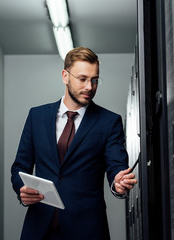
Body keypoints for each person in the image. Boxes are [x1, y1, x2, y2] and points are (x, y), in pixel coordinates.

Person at [11, 47, 137, 240]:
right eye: (83, 79)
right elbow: (20, 166)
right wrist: (22, 189)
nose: (89, 87)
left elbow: (116, 167)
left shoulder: (109, 122)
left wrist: (118, 183)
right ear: (65, 76)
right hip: (39, 228)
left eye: (94, 80)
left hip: (87, 229)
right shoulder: (37, 116)